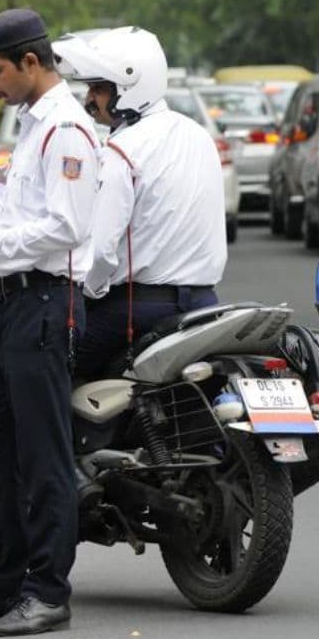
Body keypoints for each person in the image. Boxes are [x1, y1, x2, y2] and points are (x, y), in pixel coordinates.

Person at [0, 8, 99, 637]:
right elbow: (28, 211)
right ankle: (3, 583)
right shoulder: (33, 127)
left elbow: (67, 227)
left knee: (43, 454)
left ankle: (48, 591)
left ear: (31, 62)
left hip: (45, 303)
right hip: (11, 302)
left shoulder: (67, 130)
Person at [53, 27, 226, 381]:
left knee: (47, 367)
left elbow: (101, 251)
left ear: (129, 86)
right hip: (205, 303)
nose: (89, 99)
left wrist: (85, 293)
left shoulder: (123, 150)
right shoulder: (198, 135)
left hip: (136, 310)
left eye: (98, 89)